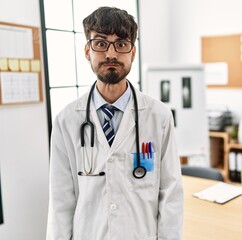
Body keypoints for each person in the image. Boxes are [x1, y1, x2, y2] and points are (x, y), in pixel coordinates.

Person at [47, 6, 183, 240]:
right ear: (87, 51)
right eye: (101, 43)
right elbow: (60, 202)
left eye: (121, 44)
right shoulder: (66, 121)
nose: (111, 54)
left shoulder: (158, 116)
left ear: (133, 52)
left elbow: (171, 194)